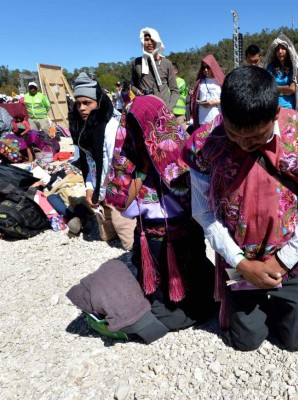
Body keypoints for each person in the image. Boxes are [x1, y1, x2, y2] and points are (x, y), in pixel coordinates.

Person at [183, 66, 298, 351]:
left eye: (256, 137)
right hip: (239, 259)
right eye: (234, 135)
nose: (244, 145)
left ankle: (295, 294)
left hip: (291, 258)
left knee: (296, 341)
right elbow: (205, 213)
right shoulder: (205, 143)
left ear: (275, 115)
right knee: (247, 341)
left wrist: (281, 261)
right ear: (223, 116)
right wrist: (243, 263)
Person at [105, 95, 217, 334]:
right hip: (151, 238)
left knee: (194, 281)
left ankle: (198, 302)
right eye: (134, 127)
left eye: (146, 126)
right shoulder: (129, 158)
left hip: (185, 235)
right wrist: (143, 169)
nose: (142, 134)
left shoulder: (182, 150)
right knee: (160, 297)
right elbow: (122, 204)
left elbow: (200, 196)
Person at [69, 72, 136, 250]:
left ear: (98, 102)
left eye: (87, 103)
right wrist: (90, 188)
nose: (81, 108)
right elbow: (88, 164)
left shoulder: (109, 128)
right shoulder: (84, 130)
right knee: (106, 236)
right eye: (78, 103)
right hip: (99, 186)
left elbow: (112, 164)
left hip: (116, 188)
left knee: (129, 242)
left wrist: (99, 190)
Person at [264, 33, 298, 117]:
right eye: (278, 49)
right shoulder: (271, 67)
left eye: (283, 48)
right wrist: (284, 89)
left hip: (289, 107)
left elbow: (291, 89)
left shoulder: (293, 68)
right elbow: (266, 86)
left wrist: (275, 88)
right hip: (273, 108)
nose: (280, 51)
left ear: (287, 51)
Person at [131, 27, 179, 111]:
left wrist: (169, 108)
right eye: (146, 40)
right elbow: (133, 85)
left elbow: (174, 90)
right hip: (144, 109)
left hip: (162, 110)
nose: (149, 43)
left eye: (152, 40)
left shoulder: (166, 63)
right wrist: (138, 93)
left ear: (158, 41)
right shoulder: (137, 63)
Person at [190, 55, 225, 129]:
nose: (206, 70)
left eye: (208, 67)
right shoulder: (200, 82)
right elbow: (195, 99)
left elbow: (227, 100)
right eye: (203, 68)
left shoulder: (221, 81)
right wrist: (200, 102)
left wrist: (213, 103)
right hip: (202, 119)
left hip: (217, 117)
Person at [172, 63, 188, 130]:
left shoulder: (181, 81)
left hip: (180, 113)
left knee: (182, 133)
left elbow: (175, 90)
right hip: (171, 112)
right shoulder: (167, 83)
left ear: (176, 71)